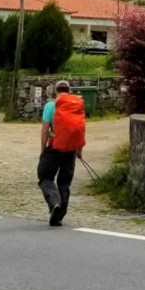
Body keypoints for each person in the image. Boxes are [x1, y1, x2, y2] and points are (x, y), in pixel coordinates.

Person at [38, 79, 85, 226]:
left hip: (54, 147)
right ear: (69, 90)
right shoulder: (76, 105)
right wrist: (79, 150)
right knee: (64, 182)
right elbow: (80, 129)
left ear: (55, 91)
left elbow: (45, 130)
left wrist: (43, 149)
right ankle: (59, 216)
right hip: (70, 149)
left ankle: (54, 203)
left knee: (45, 177)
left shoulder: (50, 105)